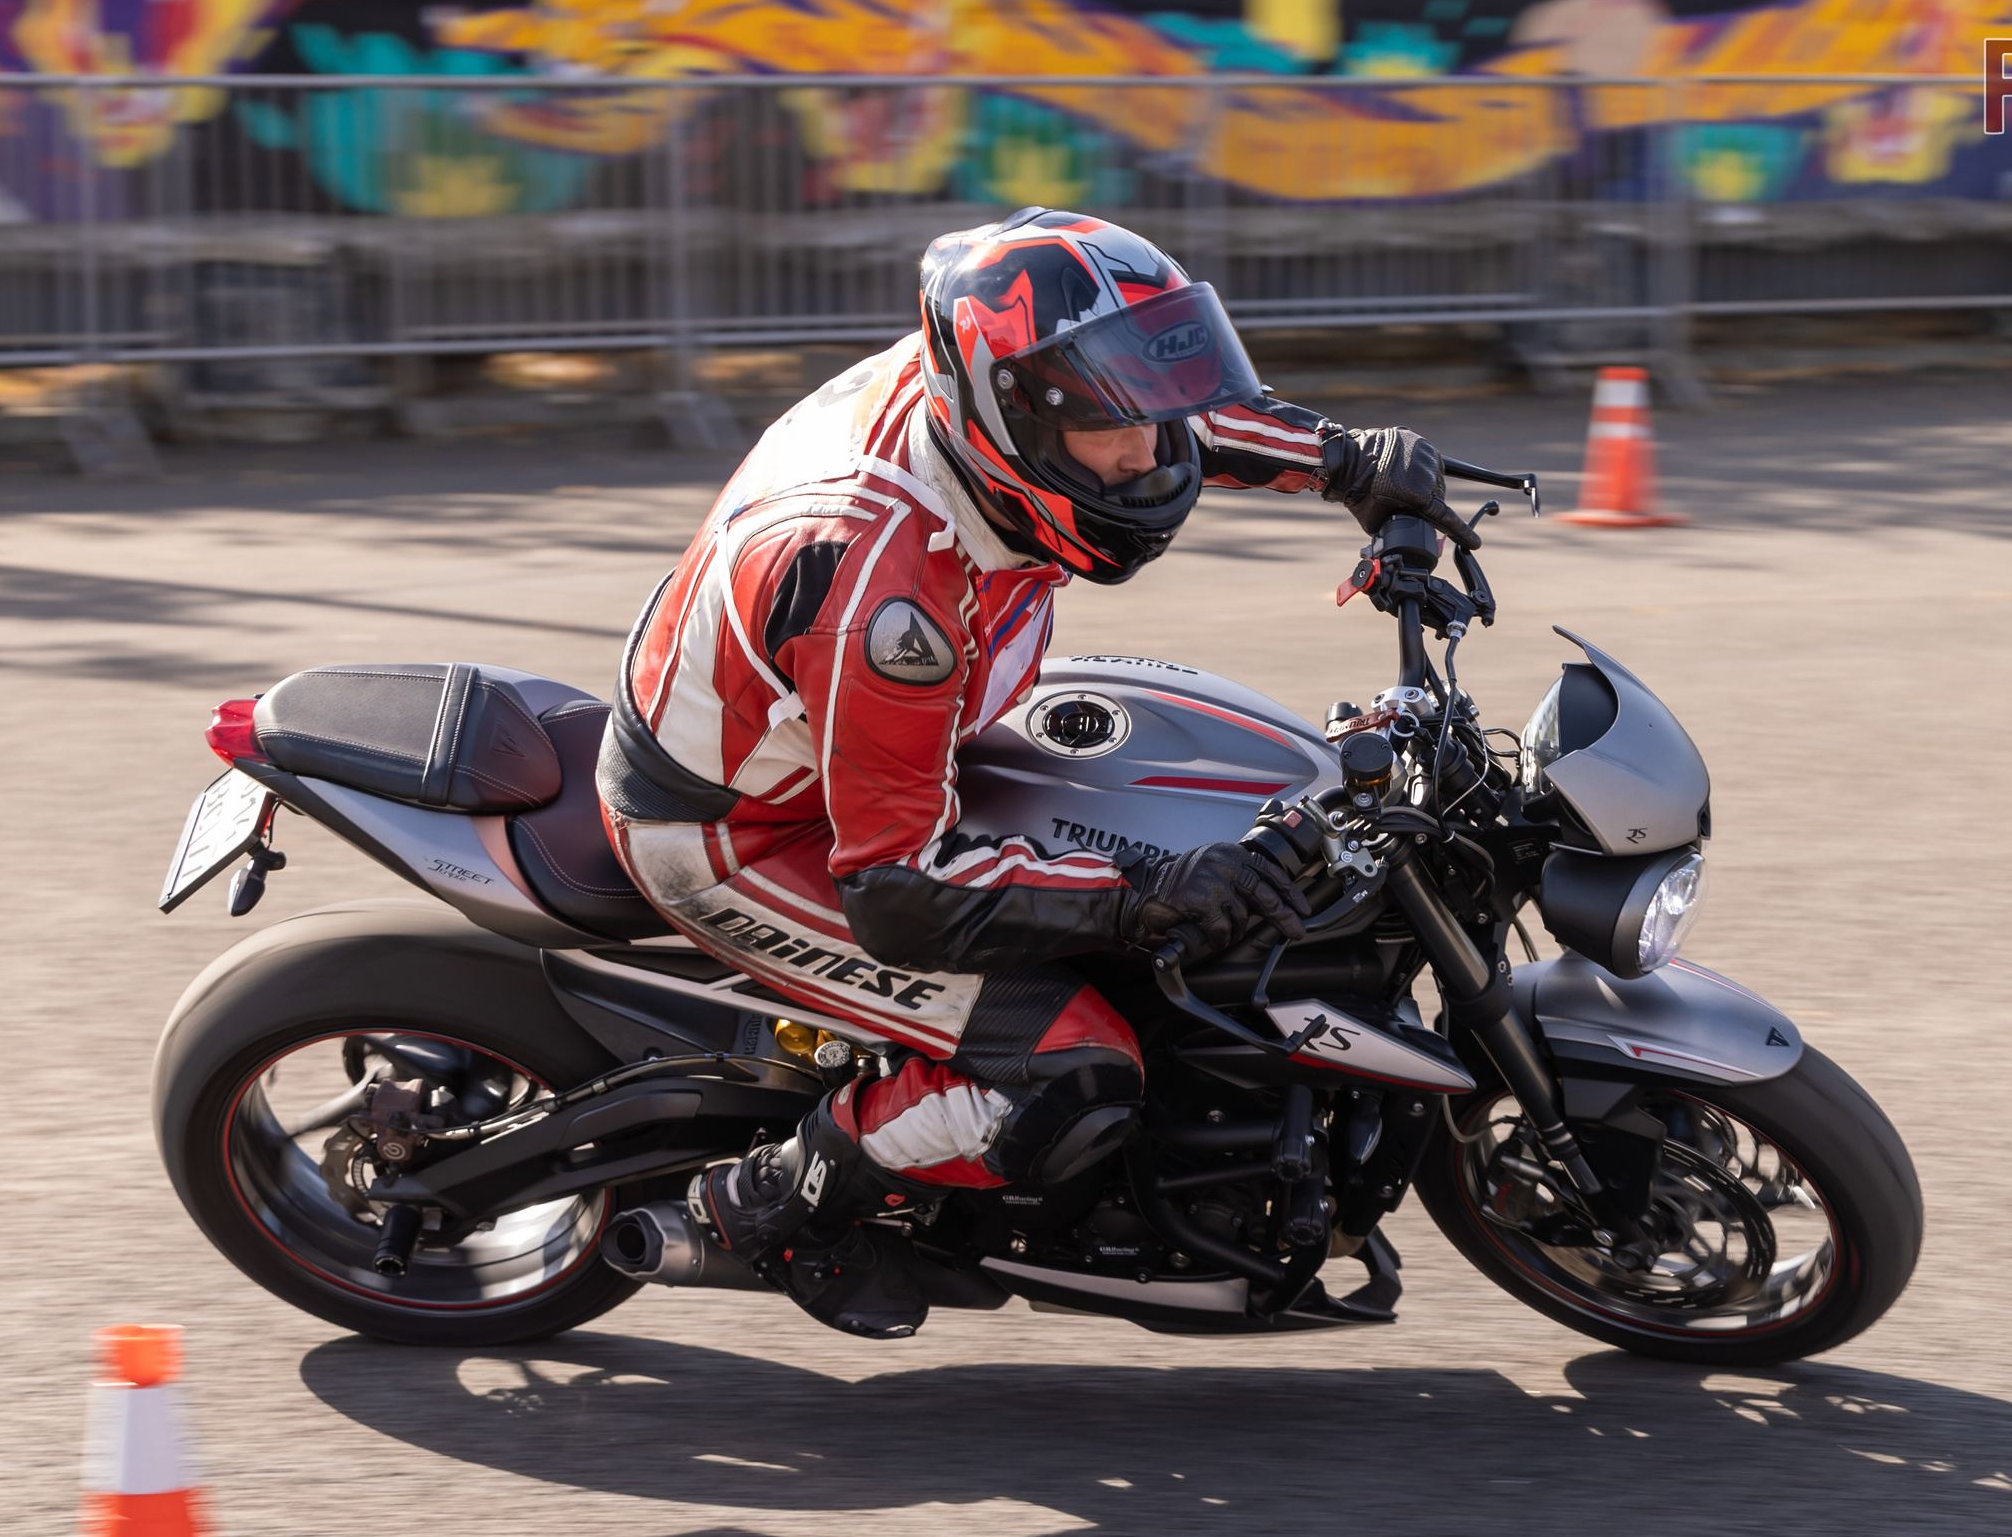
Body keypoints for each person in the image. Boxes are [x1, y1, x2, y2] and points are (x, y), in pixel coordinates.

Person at [599, 208, 1473, 1338]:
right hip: (746, 831)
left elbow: (1162, 408)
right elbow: (900, 893)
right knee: (1072, 1066)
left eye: (1143, 405)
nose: (1149, 450)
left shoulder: (985, 394)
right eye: (1111, 421)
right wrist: (1143, 897)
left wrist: (1345, 460)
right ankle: (770, 1204)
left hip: (856, 731)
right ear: (1013, 415)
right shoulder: (890, 598)